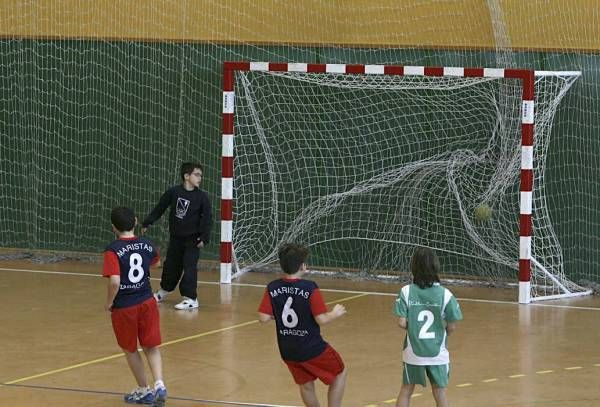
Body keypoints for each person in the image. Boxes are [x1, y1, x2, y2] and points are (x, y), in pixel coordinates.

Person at [257, 243, 347, 407]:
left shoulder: (272, 287)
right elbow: (321, 319)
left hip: (288, 350)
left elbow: (263, 318)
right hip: (312, 347)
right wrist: (335, 313)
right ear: (302, 266)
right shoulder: (309, 288)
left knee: (306, 385)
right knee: (340, 373)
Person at [103, 206, 167, 406]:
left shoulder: (113, 250)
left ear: (113, 227)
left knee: (130, 349)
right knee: (151, 345)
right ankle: (159, 384)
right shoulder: (147, 244)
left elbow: (114, 281)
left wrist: (109, 302)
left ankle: (143, 389)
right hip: (148, 301)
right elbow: (156, 263)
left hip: (125, 307)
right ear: (136, 221)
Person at [393, 247, 463, 407]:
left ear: (414, 267)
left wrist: (414, 329)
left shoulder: (406, 291)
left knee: (406, 390)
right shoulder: (446, 294)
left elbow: (401, 322)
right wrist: (440, 333)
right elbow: (452, 327)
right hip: (437, 353)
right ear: (436, 267)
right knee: (440, 392)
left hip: (413, 352)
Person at [141, 162, 212, 310]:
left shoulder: (202, 197)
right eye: (197, 175)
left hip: (193, 240)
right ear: (186, 176)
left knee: (189, 267)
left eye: (201, 175)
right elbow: (160, 207)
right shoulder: (174, 192)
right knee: (171, 266)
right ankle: (164, 290)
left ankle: (191, 298)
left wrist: (204, 238)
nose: (200, 178)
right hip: (176, 238)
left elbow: (207, 219)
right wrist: (148, 222)